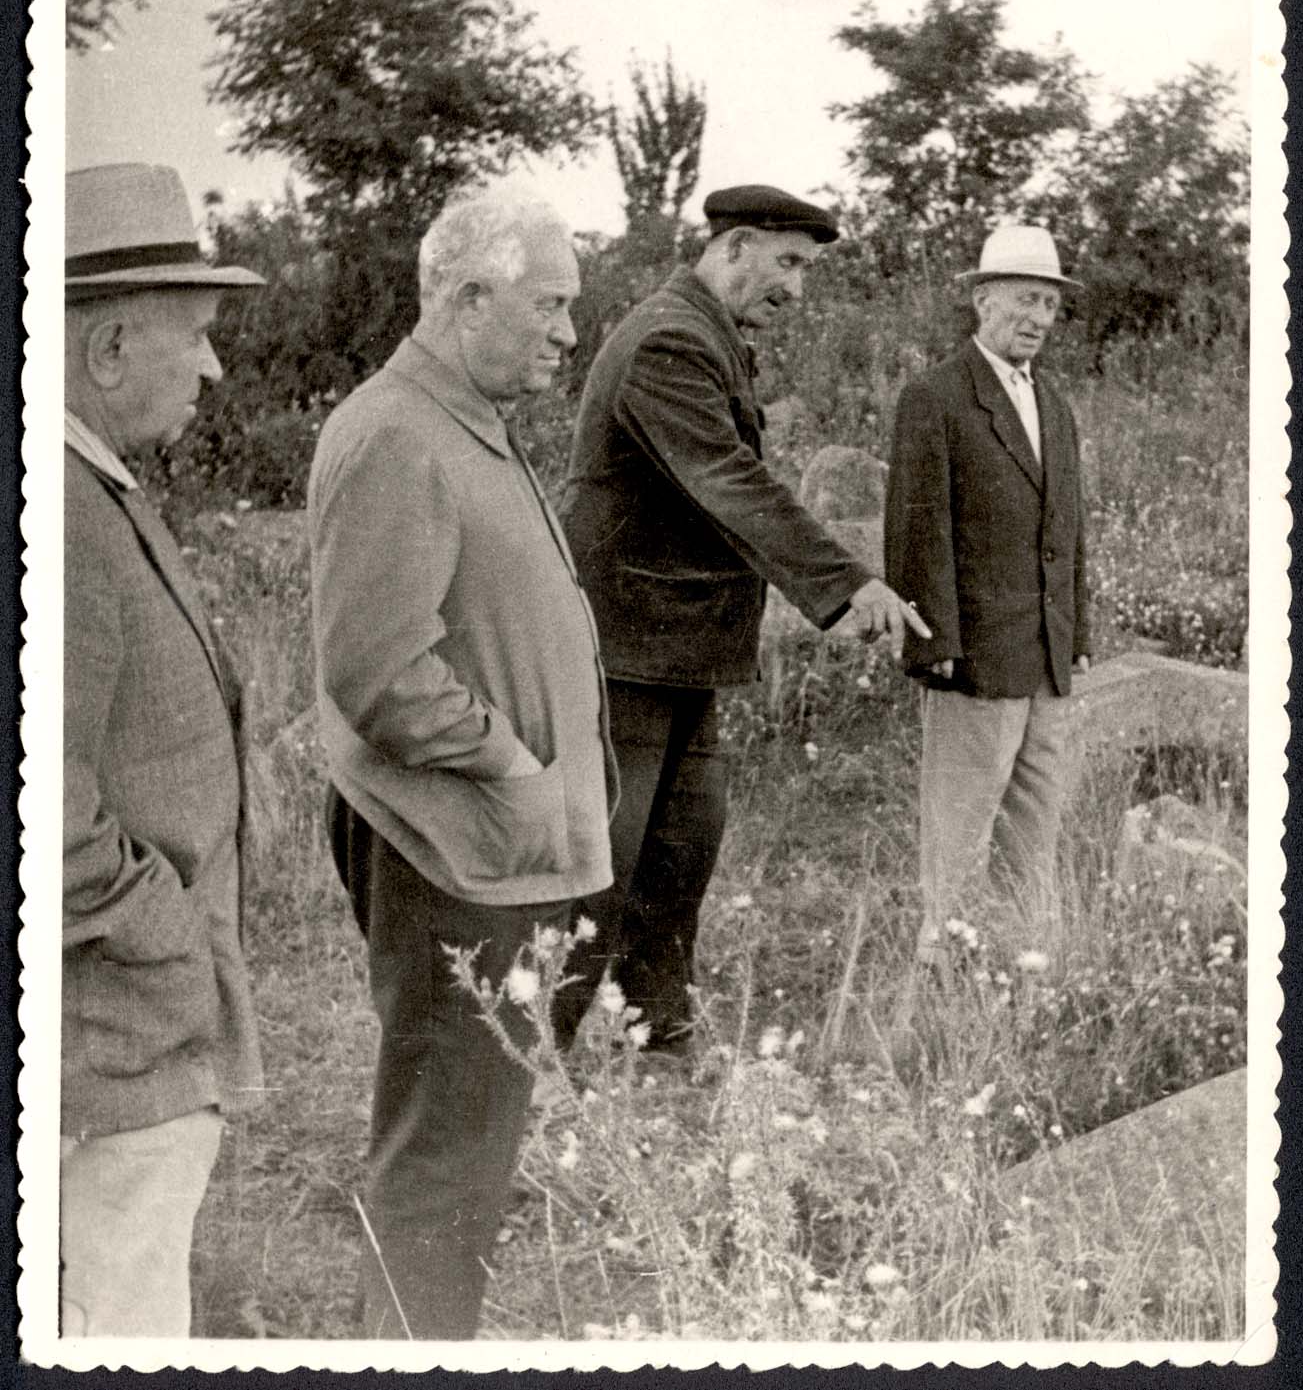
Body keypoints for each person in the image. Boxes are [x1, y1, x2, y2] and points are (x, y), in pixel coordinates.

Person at [309, 185, 615, 1340]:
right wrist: (514, 767)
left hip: (490, 851)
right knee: (444, 1158)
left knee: (467, 1151)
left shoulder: (457, 419)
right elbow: (380, 670)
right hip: (455, 851)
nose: (567, 333)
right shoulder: (395, 431)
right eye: (549, 304)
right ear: (466, 294)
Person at [555, 183, 928, 1053]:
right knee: (600, 863)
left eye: (805, 268)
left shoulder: (705, 333)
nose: (796, 289)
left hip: (680, 647)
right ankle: (532, 1056)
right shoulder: (670, 342)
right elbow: (726, 480)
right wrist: (845, 585)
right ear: (732, 247)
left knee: (680, 848)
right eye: (787, 263)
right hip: (628, 646)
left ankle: (661, 1032)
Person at [61, 162, 266, 1336]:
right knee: (120, 1325)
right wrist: (164, 931)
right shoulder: (66, 514)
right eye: (195, 336)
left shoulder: (96, 490)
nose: (215, 367)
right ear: (108, 347)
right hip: (116, 1036)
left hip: (129, 1024)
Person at [884, 225, 1092, 973]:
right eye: (1023, 298)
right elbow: (916, 525)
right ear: (981, 300)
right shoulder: (935, 396)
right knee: (961, 829)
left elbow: (1068, 528)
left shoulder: (1055, 404)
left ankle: (1019, 971)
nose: (1036, 316)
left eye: (1048, 302)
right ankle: (938, 972)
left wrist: (1076, 631)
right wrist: (932, 641)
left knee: (1033, 830)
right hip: (973, 658)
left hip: (1046, 660)